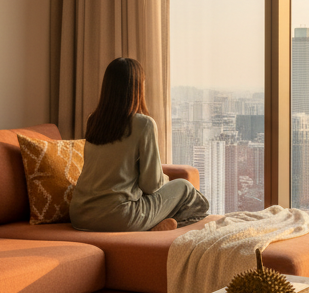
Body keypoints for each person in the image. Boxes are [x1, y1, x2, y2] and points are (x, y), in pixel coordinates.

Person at [70, 57, 210, 232]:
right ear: (137, 87)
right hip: (119, 217)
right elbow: (151, 185)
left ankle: (157, 223)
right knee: (187, 190)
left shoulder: (94, 121)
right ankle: (154, 226)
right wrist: (165, 181)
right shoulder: (144, 124)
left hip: (80, 216)